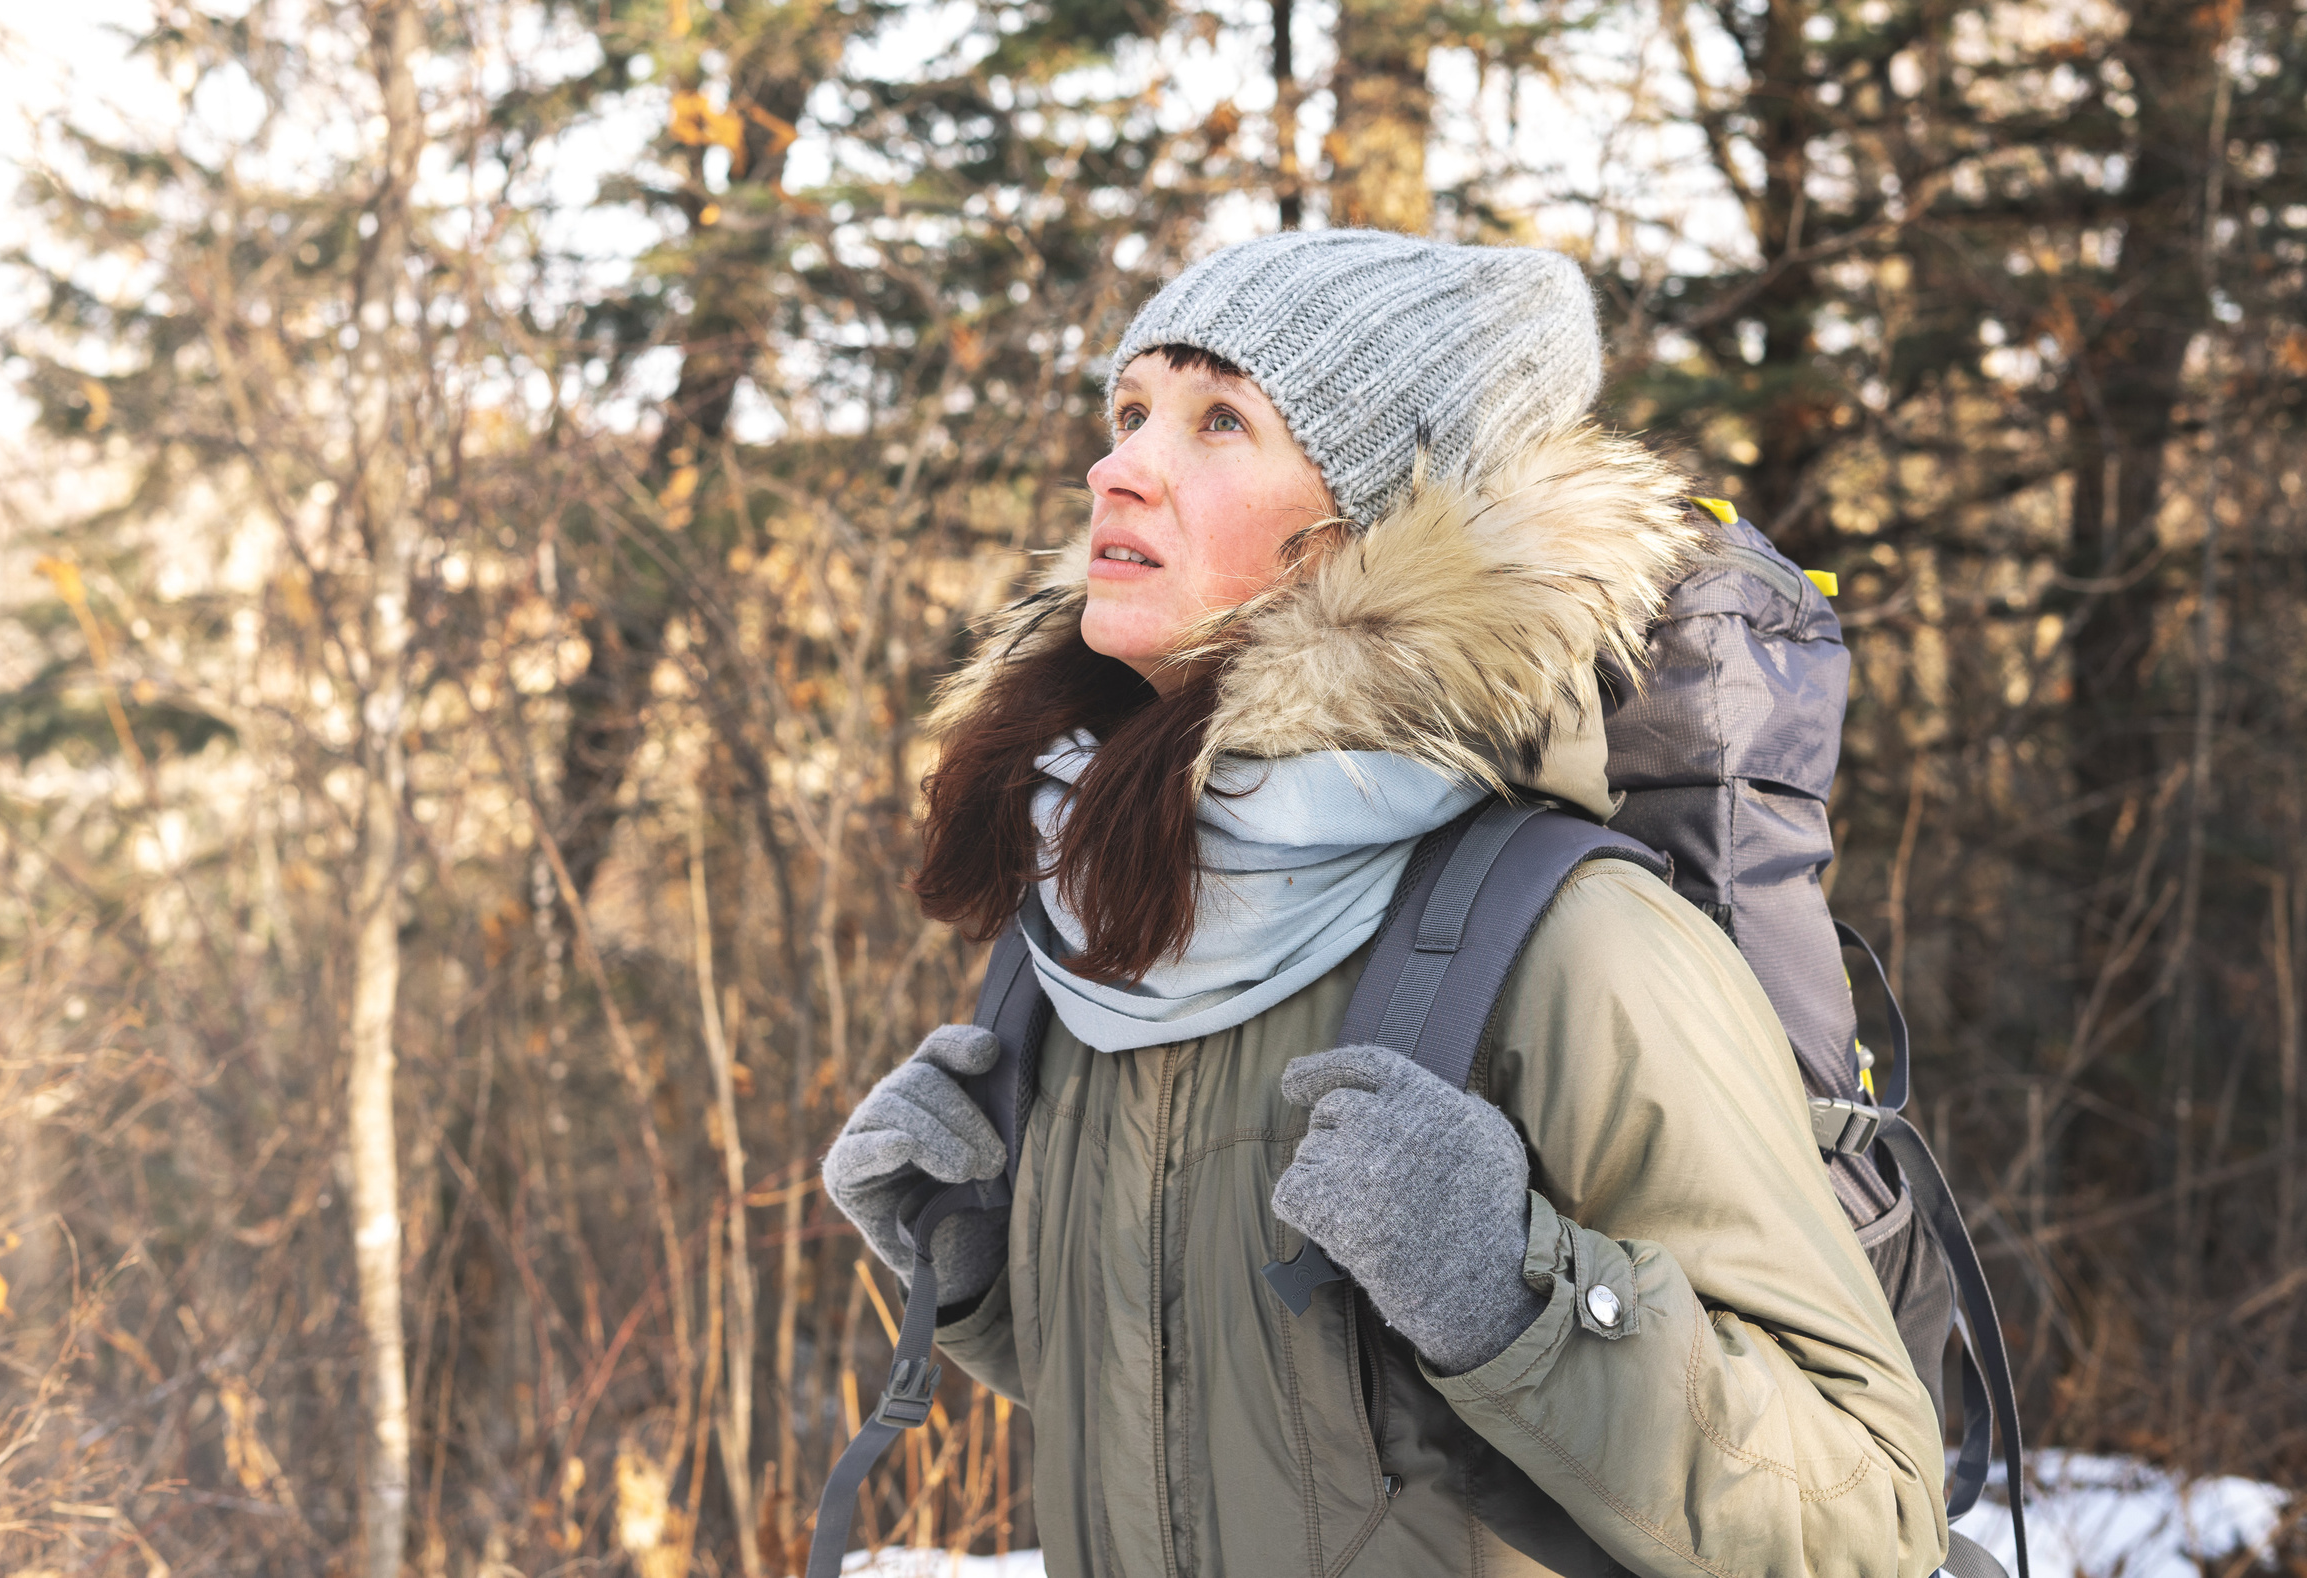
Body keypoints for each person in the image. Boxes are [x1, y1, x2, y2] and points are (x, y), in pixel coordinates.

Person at [822, 229, 1950, 1578]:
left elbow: (1873, 1513)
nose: (1117, 464)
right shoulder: (1107, 925)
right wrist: (983, 1274)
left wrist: (1520, 1297)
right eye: (1128, 412)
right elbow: (1261, 1429)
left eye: (1219, 419)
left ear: (1377, 523)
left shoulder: (1575, 940)